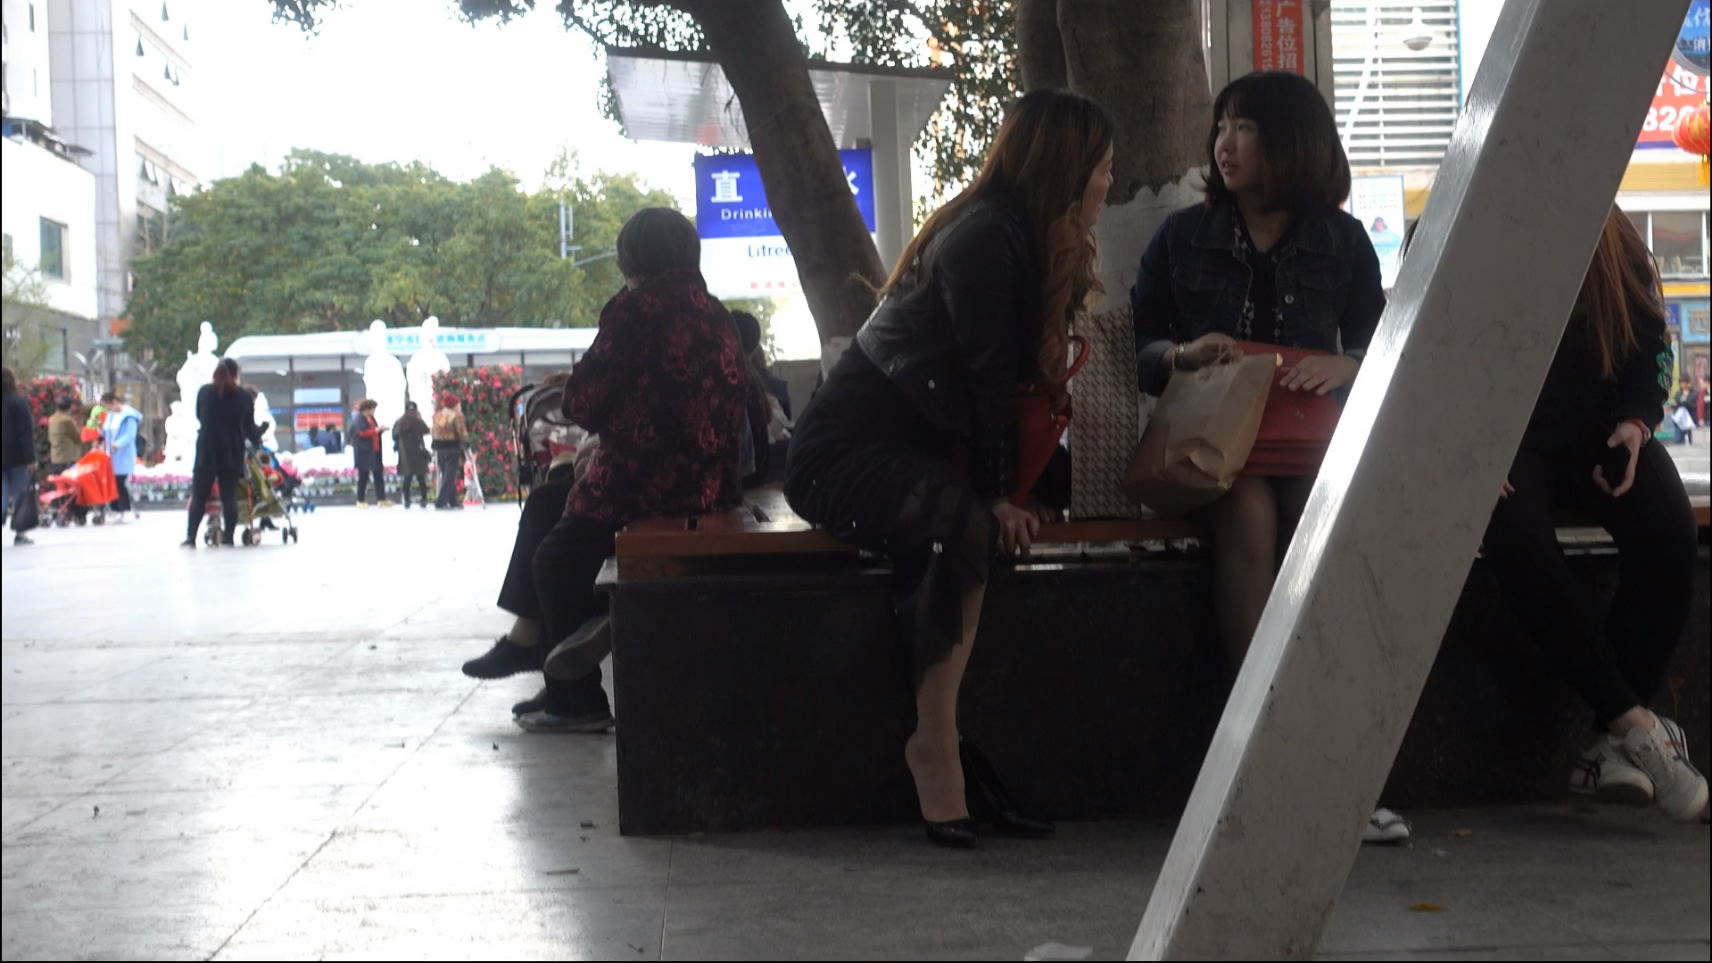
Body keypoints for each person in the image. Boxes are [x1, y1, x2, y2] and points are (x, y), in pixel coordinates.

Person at [784, 90, 1114, 848]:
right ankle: (934, 745)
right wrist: (998, 493)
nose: (1106, 183)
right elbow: (987, 383)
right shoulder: (986, 240)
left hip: (918, 452)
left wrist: (1022, 488)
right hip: (842, 458)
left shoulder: (1019, 236)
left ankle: (948, 741)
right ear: (1065, 168)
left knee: (984, 514)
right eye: (1101, 168)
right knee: (961, 521)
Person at [1130, 70, 1385, 672]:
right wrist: (1178, 355)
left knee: (1318, 512)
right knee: (1247, 508)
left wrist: (1344, 365)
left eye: (1245, 128)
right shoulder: (1180, 236)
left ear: (1293, 142)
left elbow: (1386, 350)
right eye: (1222, 126)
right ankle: (1254, 720)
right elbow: (1137, 347)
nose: (1225, 143)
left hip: (1306, 448)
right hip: (1210, 452)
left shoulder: (1344, 241)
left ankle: (1322, 696)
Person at [1482, 209, 1705, 822]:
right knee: (1515, 535)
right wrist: (1468, 436)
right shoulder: (1469, 225)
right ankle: (1635, 724)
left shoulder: (1613, 238)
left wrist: (1638, 422)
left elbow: (1651, 343)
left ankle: (1609, 746)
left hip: (1602, 432)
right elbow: (1433, 346)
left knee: (1668, 528)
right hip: (1507, 440)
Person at [518, 207, 749, 734]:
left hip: (643, 485)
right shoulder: (716, 313)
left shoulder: (635, 309)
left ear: (630, 257)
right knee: (549, 514)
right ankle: (557, 671)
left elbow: (581, 401)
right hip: (712, 487)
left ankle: (576, 696)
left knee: (555, 559)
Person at [183, 359, 263, 547]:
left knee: (199, 496)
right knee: (228, 497)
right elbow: (249, 427)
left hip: (206, 450)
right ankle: (228, 537)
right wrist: (259, 435)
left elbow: (199, 416)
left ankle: (191, 538)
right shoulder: (244, 397)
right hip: (231, 451)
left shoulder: (204, 392)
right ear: (236, 374)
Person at [2, 367, 37, 545]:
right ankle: (20, 531)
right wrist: (30, 458)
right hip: (17, 457)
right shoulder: (18, 401)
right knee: (20, 494)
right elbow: (25, 432)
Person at [102, 392, 142, 520]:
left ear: (114, 401)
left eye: (108, 405)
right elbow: (106, 432)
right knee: (112, 482)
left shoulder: (129, 415)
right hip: (110, 455)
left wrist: (118, 444)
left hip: (123, 454)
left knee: (120, 482)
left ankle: (124, 508)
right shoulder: (110, 416)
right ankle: (115, 509)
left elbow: (130, 435)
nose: (108, 409)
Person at [431, 393, 468, 509]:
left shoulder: (438, 415)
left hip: (439, 448)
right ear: (455, 405)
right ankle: (440, 501)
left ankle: (453, 501)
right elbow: (461, 432)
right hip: (452, 447)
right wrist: (466, 443)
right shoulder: (456, 416)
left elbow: (434, 430)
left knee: (446, 474)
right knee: (450, 476)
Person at [349, 399, 388, 507]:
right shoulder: (358, 419)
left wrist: (380, 431)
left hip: (374, 450)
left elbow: (374, 431)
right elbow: (361, 433)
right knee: (363, 476)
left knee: (378, 475)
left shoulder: (372, 419)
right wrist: (375, 431)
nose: (374, 411)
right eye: (372, 409)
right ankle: (360, 500)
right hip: (364, 452)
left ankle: (381, 499)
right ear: (366, 409)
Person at [393, 401, 432, 508]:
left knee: (407, 478)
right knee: (421, 479)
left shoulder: (399, 422)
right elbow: (427, 430)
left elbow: (395, 435)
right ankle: (424, 500)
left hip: (405, 454)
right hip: (419, 453)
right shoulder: (418, 421)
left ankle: (407, 500)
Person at [48, 398, 82, 472]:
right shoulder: (67, 420)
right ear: (69, 408)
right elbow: (77, 438)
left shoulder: (52, 419)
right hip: (68, 458)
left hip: (56, 458)